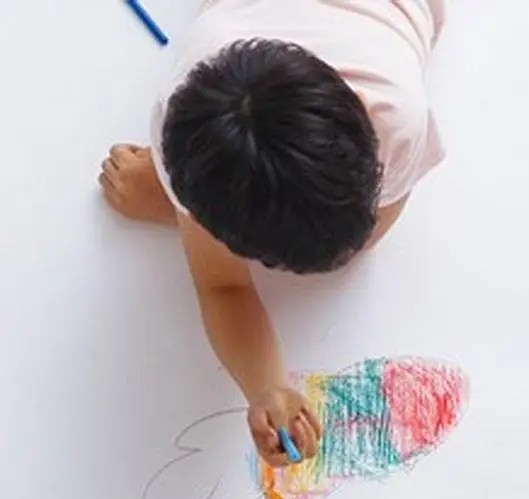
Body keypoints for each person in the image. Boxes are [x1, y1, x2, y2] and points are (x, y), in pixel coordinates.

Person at [98, 1, 447, 467]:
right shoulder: (191, 135)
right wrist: (267, 387)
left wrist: (178, 209)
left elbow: (352, 245)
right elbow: (222, 284)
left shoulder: (397, 120)